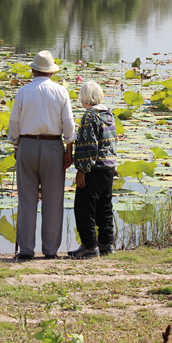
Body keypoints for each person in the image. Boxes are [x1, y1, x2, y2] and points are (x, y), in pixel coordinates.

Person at [8, 50, 76, 260]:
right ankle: (50, 251)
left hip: (27, 144)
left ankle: (26, 250)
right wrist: (68, 148)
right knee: (53, 201)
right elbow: (69, 124)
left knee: (27, 200)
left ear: (33, 70)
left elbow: (14, 124)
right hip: (52, 146)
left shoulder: (23, 92)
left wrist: (16, 145)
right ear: (51, 73)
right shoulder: (60, 92)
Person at [69, 81, 118, 259]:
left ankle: (89, 246)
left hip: (94, 168)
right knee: (105, 207)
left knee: (84, 207)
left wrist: (82, 170)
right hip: (109, 167)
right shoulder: (109, 114)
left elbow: (88, 145)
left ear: (85, 97)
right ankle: (106, 244)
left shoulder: (90, 116)